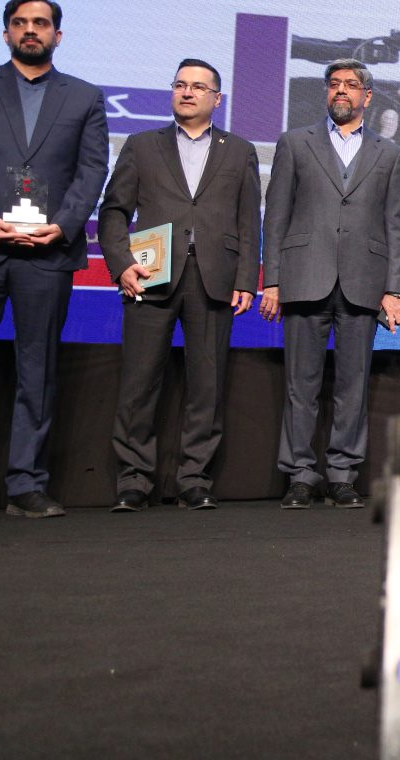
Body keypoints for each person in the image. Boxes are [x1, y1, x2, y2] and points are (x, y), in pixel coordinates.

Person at [98, 59, 261, 511]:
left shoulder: (239, 150)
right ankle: (134, 481)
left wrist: (247, 278)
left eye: (198, 87)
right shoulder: (141, 145)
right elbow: (113, 212)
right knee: (139, 383)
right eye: (180, 85)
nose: (187, 92)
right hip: (149, 277)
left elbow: (249, 220)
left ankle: (194, 480)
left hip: (215, 278)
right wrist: (121, 264)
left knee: (207, 385)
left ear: (217, 99)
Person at [0, 0, 108, 517]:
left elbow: (91, 171)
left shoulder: (85, 97)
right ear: (6, 32)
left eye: (41, 23)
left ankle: (25, 486)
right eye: (20, 23)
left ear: (58, 34)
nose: (31, 30)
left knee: (39, 371)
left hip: (49, 253)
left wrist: (63, 225)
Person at [259, 59, 400, 509]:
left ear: (368, 96)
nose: (341, 90)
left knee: (352, 386)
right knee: (300, 386)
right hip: (304, 277)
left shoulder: (389, 153)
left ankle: (343, 473)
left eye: (351, 85)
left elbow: (396, 225)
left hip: (364, 282)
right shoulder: (294, 142)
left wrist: (395, 289)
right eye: (335, 84)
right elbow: (276, 216)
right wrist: (272, 281)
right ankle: (300, 474)